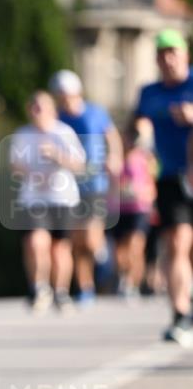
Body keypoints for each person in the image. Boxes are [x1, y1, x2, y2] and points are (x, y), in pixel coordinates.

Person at [134, 29, 193, 346]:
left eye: (173, 51)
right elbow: (139, 121)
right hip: (171, 176)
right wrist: (140, 135)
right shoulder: (149, 92)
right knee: (177, 243)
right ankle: (180, 315)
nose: (168, 58)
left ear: (185, 54)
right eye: (162, 53)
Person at [50, 69, 123, 306]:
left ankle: (103, 253)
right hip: (70, 185)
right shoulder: (59, 119)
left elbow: (112, 136)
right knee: (77, 240)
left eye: (68, 94)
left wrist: (115, 157)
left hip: (96, 182)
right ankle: (85, 287)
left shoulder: (95, 112)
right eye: (61, 95)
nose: (65, 100)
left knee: (91, 239)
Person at [10, 91, 86, 313]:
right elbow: (15, 166)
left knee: (60, 248)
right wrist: (33, 175)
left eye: (41, 107)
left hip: (62, 198)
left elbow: (79, 165)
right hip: (33, 198)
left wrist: (57, 155)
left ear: (52, 110)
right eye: (33, 107)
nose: (37, 112)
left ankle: (61, 292)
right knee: (35, 241)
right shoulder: (23, 134)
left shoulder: (64, 133)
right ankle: (39, 287)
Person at [112, 125, 157, 300]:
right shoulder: (116, 159)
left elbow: (152, 184)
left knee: (135, 246)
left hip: (140, 208)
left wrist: (146, 196)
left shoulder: (146, 159)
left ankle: (132, 283)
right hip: (119, 209)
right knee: (120, 251)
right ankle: (124, 276)